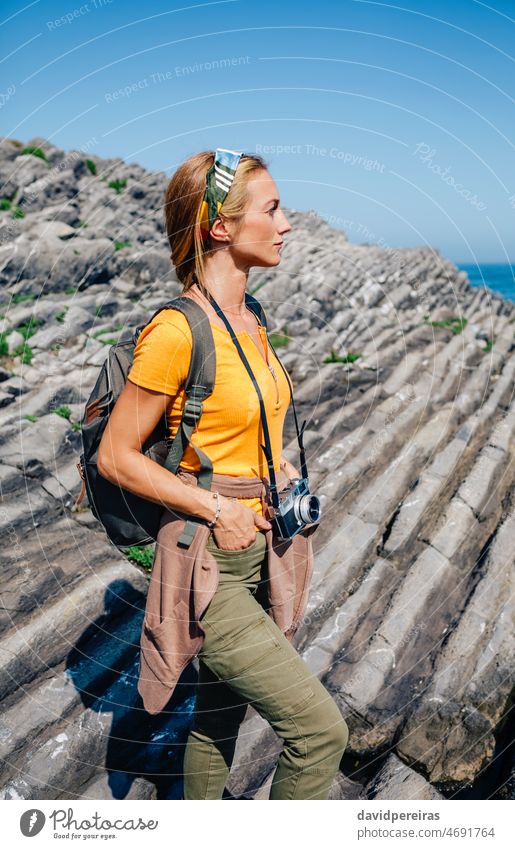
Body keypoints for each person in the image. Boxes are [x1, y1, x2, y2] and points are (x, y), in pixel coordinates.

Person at [97, 148, 349, 800]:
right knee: (320, 731)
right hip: (206, 557)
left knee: (216, 715)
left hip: (260, 542)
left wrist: (275, 463)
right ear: (220, 228)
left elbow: (237, 416)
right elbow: (115, 454)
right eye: (271, 208)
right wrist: (215, 507)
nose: (287, 223)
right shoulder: (177, 331)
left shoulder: (252, 319)